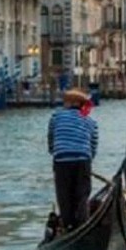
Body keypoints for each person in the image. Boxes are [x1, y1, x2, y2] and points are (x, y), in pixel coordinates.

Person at [47, 88, 98, 230]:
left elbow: (51, 138)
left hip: (61, 159)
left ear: (69, 103)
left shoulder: (56, 116)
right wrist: (88, 160)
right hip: (83, 160)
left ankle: (69, 224)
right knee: (82, 194)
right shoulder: (91, 121)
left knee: (64, 194)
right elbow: (93, 145)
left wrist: (55, 152)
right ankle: (82, 223)